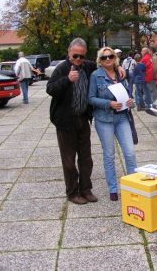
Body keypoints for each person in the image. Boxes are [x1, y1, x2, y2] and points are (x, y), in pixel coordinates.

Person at [47, 38, 125, 205]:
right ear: (69, 52)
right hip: (65, 122)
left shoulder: (88, 66)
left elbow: (105, 67)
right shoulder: (61, 69)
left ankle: (86, 189)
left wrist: (117, 66)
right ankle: (72, 192)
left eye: (81, 56)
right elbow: (50, 89)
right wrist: (67, 79)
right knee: (69, 161)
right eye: (75, 56)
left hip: (83, 118)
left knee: (86, 158)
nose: (78, 59)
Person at [88, 47, 137, 202]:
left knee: (130, 153)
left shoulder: (121, 74)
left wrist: (131, 101)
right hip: (104, 120)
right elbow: (91, 98)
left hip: (122, 118)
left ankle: (132, 186)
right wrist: (108, 103)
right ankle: (113, 189)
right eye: (104, 57)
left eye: (110, 56)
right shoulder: (96, 75)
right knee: (109, 155)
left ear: (115, 58)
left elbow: (129, 95)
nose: (108, 59)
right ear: (99, 60)